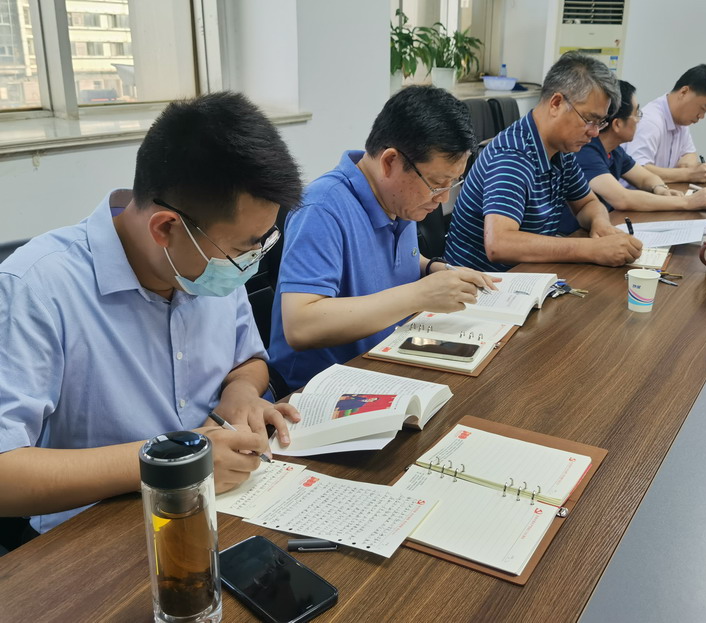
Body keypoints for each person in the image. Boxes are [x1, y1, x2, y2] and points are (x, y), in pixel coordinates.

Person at [0, 92, 303, 539]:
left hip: (226, 503)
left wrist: (239, 393)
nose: (250, 263)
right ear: (165, 228)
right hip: (96, 536)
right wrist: (178, 461)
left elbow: (248, 359)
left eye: (262, 244)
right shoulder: (36, 288)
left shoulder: (207, 266)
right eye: (242, 249)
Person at [268, 85, 496, 391]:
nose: (442, 198)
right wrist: (420, 295)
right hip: (323, 389)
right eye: (437, 184)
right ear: (390, 161)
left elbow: (388, 262)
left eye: (452, 183)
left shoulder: (398, 198)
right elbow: (301, 325)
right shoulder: (321, 209)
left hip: (387, 361)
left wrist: (433, 269)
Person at [443, 52, 643, 273]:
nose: (594, 132)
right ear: (556, 103)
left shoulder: (561, 150)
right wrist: (592, 249)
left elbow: (587, 203)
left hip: (528, 276)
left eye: (600, 122)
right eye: (589, 120)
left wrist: (600, 224)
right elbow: (499, 244)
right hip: (481, 284)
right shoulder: (512, 155)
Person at [574, 80, 706, 212]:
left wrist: (660, 189)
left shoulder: (614, 150)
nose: (639, 120)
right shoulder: (586, 151)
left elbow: (644, 178)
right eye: (636, 113)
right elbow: (622, 198)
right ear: (617, 124)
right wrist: (687, 202)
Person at [623, 64, 706, 184]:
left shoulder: (681, 121)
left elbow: (689, 153)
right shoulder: (650, 121)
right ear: (684, 92)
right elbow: (637, 170)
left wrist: (688, 162)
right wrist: (688, 174)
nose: (702, 116)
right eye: (703, 108)